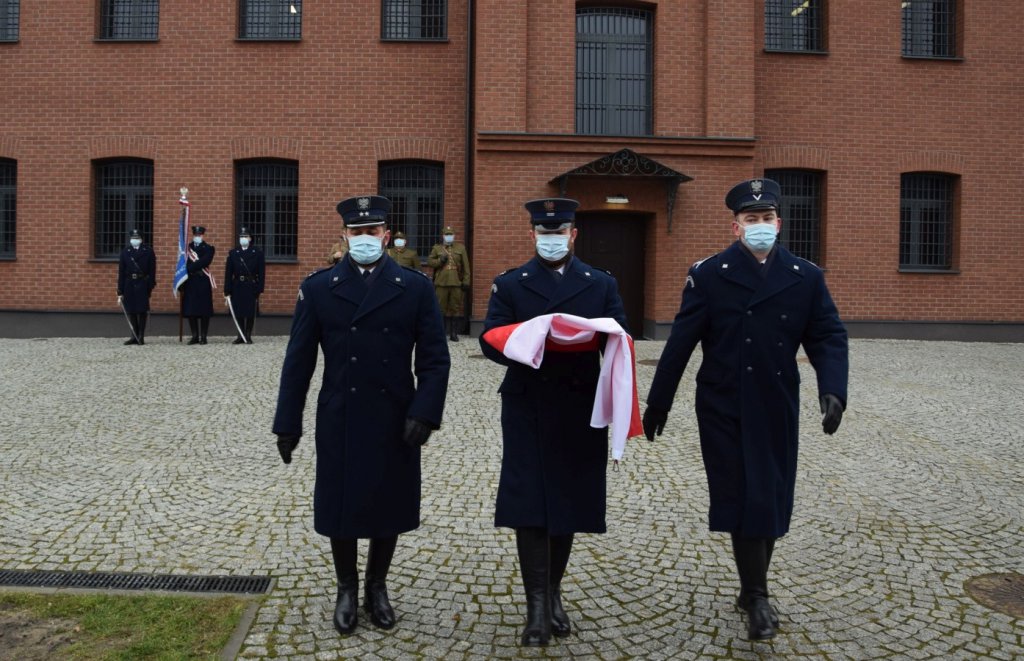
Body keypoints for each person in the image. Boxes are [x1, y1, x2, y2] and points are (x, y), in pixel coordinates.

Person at [642, 178, 849, 642]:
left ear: (780, 222)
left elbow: (828, 336)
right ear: (735, 226)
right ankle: (757, 594)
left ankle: (751, 586)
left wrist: (832, 389)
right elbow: (681, 341)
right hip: (723, 402)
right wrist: (658, 402)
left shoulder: (805, 277)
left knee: (770, 496)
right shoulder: (710, 274)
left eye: (767, 219)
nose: (760, 226)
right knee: (743, 494)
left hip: (775, 401)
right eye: (751, 220)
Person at [272, 194, 451, 636]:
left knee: (388, 501)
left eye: (373, 232)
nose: (365, 238)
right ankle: (347, 588)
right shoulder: (319, 288)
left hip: (396, 415)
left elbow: (434, 359)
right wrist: (286, 423)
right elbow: (299, 360)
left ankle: (377, 586)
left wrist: (425, 412)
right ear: (344, 236)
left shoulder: (415, 287)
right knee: (342, 503)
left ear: (386, 236)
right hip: (342, 412)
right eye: (357, 232)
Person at [479, 198, 627, 647]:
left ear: (573, 235)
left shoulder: (600, 284)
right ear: (532, 236)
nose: (550, 239)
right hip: (528, 404)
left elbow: (618, 335)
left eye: (558, 231)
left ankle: (554, 591)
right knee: (530, 502)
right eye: (543, 233)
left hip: (580, 405)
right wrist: (530, 337)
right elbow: (489, 339)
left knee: (567, 500)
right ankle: (537, 607)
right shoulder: (511, 284)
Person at [427, 226, 470, 342]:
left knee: (455, 307)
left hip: (456, 282)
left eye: (451, 234)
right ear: (443, 236)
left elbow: (466, 266)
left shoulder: (460, 248)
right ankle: (441, 333)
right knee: (440, 308)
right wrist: (440, 261)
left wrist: (466, 281)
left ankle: (453, 333)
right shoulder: (437, 248)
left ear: (454, 236)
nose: (449, 236)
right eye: (447, 234)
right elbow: (430, 262)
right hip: (441, 282)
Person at [223, 227, 265, 344]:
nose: (243, 239)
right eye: (241, 237)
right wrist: (227, 289)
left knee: (250, 311)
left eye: (245, 236)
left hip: (250, 285)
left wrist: (259, 288)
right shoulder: (233, 253)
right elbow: (228, 273)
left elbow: (261, 273)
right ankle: (240, 335)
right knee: (239, 311)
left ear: (250, 238)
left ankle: (248, 335)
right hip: (237, 285)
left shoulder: (257, 253)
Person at [116, 228, 156, 345]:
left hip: (142, 283)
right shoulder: (125, 252)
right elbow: (121, 271)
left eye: (137, 238)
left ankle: (141, 336)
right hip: (129, 283)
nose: (135, 240)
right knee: (131, 310)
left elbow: (152, 270)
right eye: (133, 238)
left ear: (141, 239)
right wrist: (120, 288)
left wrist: (150, 286)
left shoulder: (148, 251)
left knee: (142, 310)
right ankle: (134, 335)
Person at [180, 225, 216, 345]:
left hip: (203, 280)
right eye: (195, 235)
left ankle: (204, 336)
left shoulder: (209, 248)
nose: (197, 237)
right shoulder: (186, 248)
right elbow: (181, 264)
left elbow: (205, 261)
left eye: (199, 235)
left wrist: (189, 268)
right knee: (191, 309)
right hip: (190, 281)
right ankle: (195, 335)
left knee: (204, 310)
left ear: (203, 235)